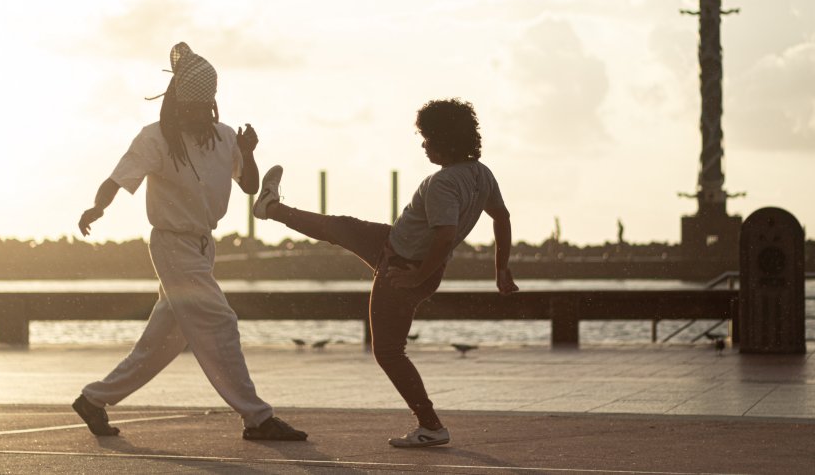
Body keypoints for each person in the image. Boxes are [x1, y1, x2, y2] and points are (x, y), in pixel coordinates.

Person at [252, 98, 517, 448]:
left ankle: (431, 426)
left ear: (446, 141)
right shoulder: (482, 174)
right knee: (338, 227)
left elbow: (445, 236)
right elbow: (502, 217)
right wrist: (501, 268)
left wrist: (416, 277)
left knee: (389, 352)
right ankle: (270, 207)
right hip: (392, 243)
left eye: (428, 139)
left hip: (403, 267)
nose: (423, 146)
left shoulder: (443, 184)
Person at [74, 42, 306, 442]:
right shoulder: (156, 139)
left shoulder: (224, 137)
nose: (200, 114)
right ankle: (257, 417)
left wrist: (248, 153)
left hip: (202, 246)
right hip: (171, 245)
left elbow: (249, 186)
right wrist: (97, 207)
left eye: (206, 107)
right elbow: (117, 179)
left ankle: (94, 400)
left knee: (164, 340)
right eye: (192, 108)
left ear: (213, 104)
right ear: (178, 104)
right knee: (220, 321)